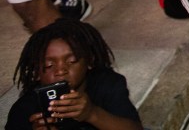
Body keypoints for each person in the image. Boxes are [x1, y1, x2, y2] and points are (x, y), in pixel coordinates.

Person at [7, 18, 142, 129]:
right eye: (49, 65)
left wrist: (92, 114)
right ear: (36, 71)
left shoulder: (107, 83)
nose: (60, 71)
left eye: (72, 61)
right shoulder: (25, 108)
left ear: (89, 61)